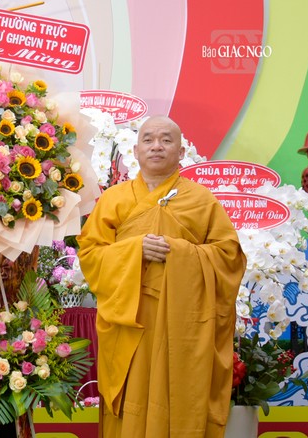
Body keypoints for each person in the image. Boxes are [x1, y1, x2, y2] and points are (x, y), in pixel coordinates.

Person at [77, 116, 246, 437]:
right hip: (130, 321)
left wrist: (180, 252)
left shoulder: (201, 200)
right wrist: (134, 250)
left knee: (179, 395)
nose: (157, 146)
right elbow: (91, 255)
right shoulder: (113, 199)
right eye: (149, 139)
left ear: (181, 152)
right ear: (136, 150)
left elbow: (229, 257)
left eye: (166, 140)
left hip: (183, 326)